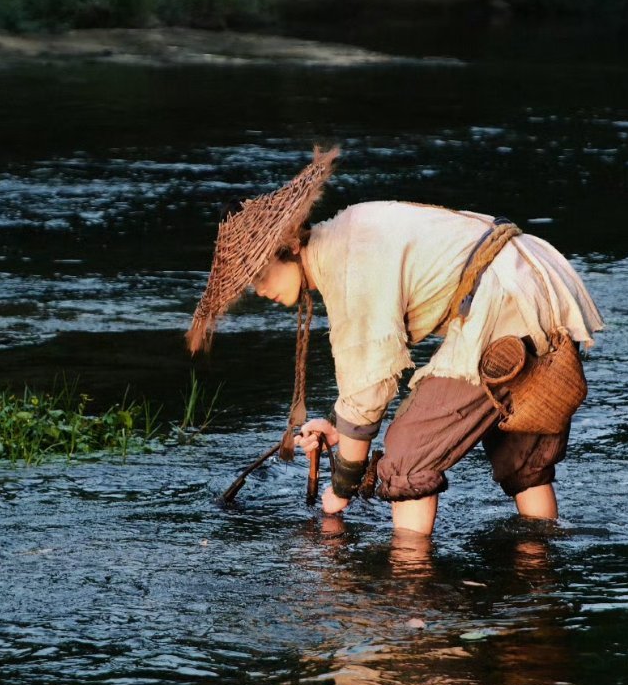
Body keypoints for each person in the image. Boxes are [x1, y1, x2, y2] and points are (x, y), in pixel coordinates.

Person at [188, 147, 604, 539]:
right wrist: (336, 428)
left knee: (407, 453)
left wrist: (339, 494)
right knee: (521, 456)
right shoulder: (346, 234)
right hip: (531, 279)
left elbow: (369, 386)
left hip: (506, 301)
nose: (259, 291)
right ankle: (539, 568)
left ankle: (410, 580)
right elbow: (367, 375)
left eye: (261, 276)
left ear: (292, 244)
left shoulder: (346, 261)